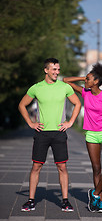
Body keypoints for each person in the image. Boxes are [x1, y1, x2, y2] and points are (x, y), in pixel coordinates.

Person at [18, 58, 81, 212]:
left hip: (59, 132)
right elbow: (22, 105)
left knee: (62, 167)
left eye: (58, 69)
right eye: (54, 69)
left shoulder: (64, 87)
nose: (57, 72)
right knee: (36, 167)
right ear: (46, 70)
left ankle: (65, 201)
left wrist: (70, 122)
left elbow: (77, 103)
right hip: (42, 133)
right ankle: (31, 200)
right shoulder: (36, 88)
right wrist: (31, 123)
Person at [63, 63, 102, 213]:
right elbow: (66, 80)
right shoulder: (86, 92)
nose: (86, 80)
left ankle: (95, 193)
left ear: (96, 81)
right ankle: (98, 202)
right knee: (97, 168)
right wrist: (83, 77)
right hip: (91, 134)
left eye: (89, 78)